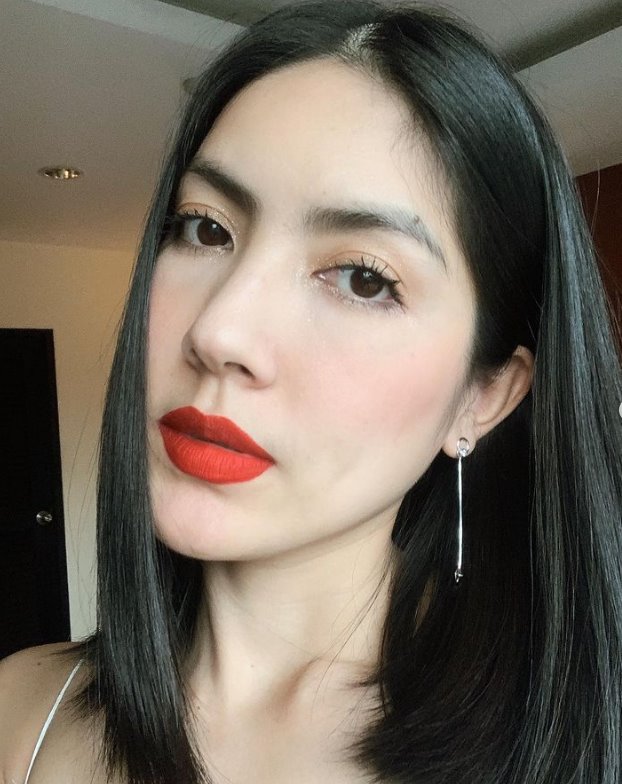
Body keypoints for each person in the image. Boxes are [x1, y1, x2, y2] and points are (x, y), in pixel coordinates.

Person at [1, 1, 621, 782]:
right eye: (205, 229)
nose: (219, 331)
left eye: (363, 278)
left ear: (485, 396)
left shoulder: (572, 747)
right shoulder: (21, 710)